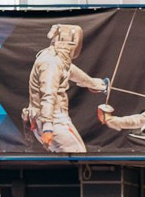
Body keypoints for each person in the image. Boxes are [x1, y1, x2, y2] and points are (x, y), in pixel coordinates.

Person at [25, 23, 106, 154]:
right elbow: (48, 95)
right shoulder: (51, 63)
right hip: (53, 119)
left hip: (47, 118)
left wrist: (96, 84)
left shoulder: (57, 59)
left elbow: (73, 72)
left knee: (67, 159)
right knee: (78, 155)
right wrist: (48, 128)